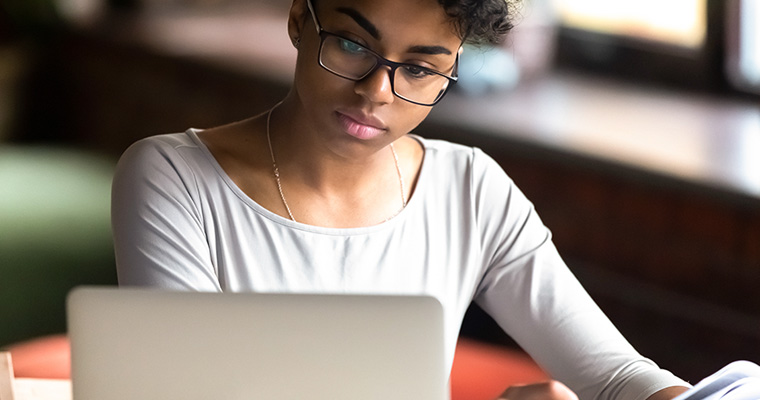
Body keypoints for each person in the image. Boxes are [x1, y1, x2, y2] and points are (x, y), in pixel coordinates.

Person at [111, 0, 692, 398]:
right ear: (298, 19)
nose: (376, 93)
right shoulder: (174, 180)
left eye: (418, 69)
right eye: (350, 44)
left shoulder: (470, 191)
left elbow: (615, 378)